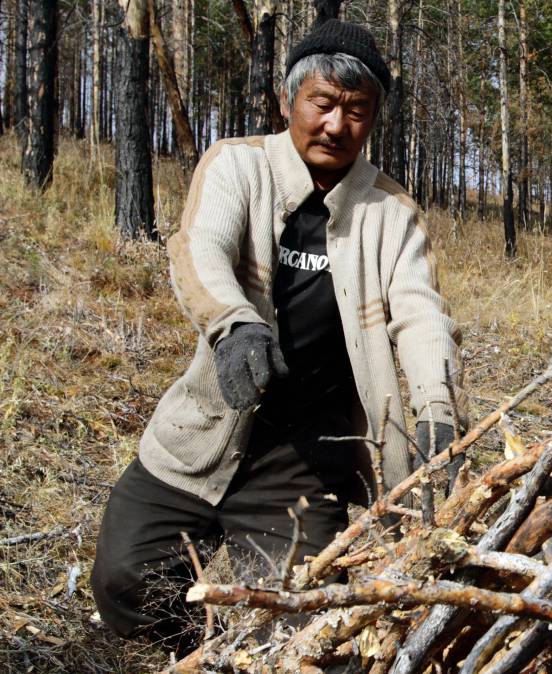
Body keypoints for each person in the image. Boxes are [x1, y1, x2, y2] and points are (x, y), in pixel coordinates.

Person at [91, 20, 462, 653]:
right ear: (287, 100)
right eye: (321, 103)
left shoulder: (390, 211)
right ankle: (196, 655)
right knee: (124, 576)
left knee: (302, 630)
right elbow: (199, 249)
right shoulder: (239, 165)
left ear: (373, 120)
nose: (336, 126)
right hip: (204, 432)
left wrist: (436, 411)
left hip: (304, 462)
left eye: (356, 111)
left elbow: (422, 314)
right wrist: (233, 324)